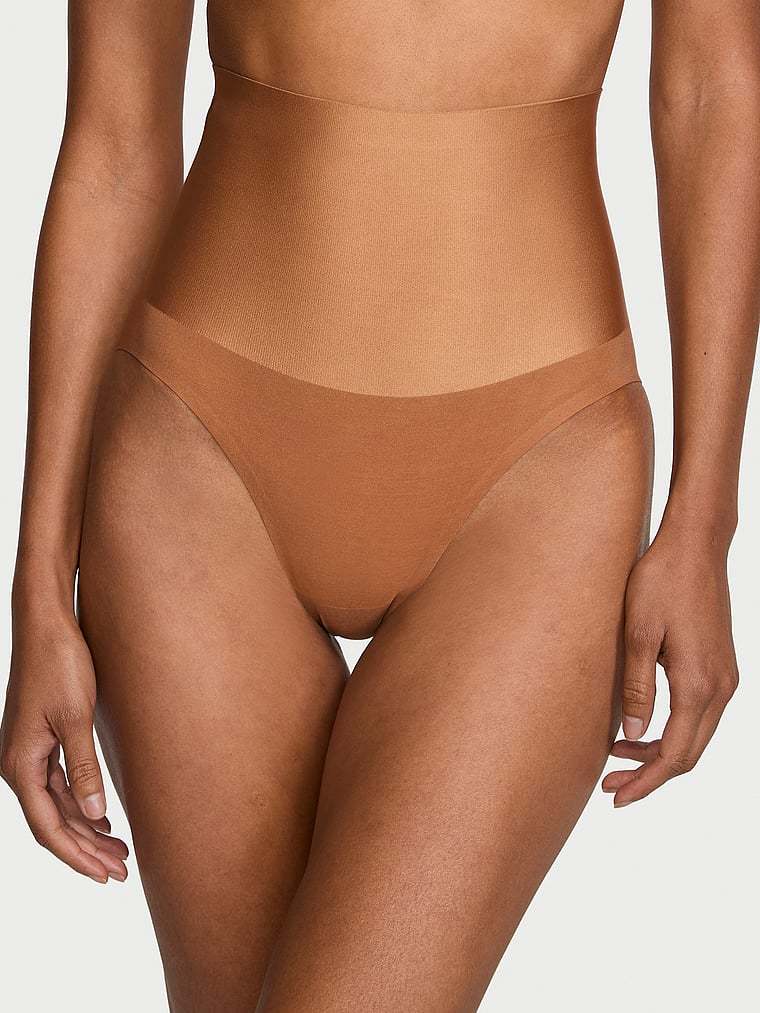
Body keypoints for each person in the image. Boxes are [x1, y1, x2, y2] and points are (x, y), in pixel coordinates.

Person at [2, 2, 758, 1010]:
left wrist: (704, 521)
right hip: (198, 457)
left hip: (534, 468)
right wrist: (38, 587)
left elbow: (713, 91)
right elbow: (114, 143)